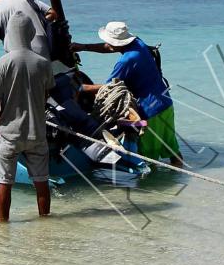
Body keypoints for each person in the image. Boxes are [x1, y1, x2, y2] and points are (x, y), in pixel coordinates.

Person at [74, 21, 182, 168]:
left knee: (148, 160)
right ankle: (180, 173)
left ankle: (152, 188)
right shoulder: (138, 43)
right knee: (171, 148)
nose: (107, 43)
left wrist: (84, 88)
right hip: (165, 103)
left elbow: (111, 88)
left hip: (150, 111)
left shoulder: (125, 61)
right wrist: (84, 47)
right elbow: (110, 47)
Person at [0, 12, 54, 222]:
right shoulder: (43, 63)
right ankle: (45, 223)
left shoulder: (2, 64)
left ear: (10, 35)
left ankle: (3, 225)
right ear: (30, 33)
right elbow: (45, 96)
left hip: (9, 133)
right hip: (37, 133)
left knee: (5, 182)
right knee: (41, 182)